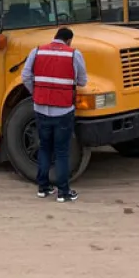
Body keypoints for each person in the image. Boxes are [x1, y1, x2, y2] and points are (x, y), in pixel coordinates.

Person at [21, 27, 87, 202]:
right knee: (62, 152)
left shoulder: (37, 51)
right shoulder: (74, 54)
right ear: (69, 40)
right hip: (63, 110)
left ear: (55, 38)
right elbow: (82, 81)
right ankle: (63, 192)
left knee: (44, 147)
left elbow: (26, 75)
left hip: (41, 108)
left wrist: (36, 93)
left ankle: (43, 188)